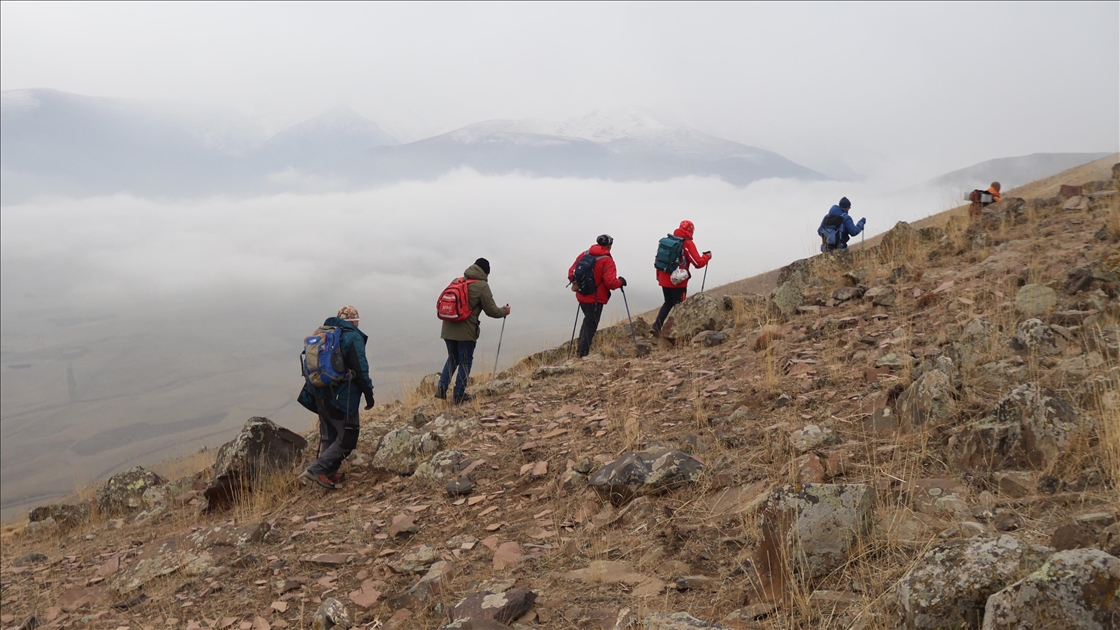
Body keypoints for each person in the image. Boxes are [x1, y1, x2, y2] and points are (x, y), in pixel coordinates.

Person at [297, 305, 375, 489]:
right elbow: (361, 369)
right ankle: (318, 469)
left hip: (319, 392)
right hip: (341, 396)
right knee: (348, 437)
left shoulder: (324, 333)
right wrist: (369, 394)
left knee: (329, 433)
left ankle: (327, 472)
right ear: (354, 320)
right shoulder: (353, 336)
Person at [437, 258, 510, 404]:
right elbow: (491, 310)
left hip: (448, 327)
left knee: (452, 358)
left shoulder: (457, 281)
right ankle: (458, 395)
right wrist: (504, 311)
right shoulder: (482, 286)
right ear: (486, 272)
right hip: (466, 332)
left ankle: (441, 389)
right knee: (465, 362)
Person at [568, 234, 625, 358]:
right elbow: (610, 282)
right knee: (591, 325)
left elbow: (571, 272)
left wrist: (579, 284)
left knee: (587, 321)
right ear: (609, 245)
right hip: (596, 298)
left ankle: (580, 351)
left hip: (582, 295)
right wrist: (620, 282)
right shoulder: (607, 260)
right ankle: (582, 354)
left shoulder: (584, 254)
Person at [652, 220, 711, 335]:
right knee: (680, 306)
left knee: (668, 302)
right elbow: (697, 263)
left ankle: (656, 326)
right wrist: (707, 257)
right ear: (691, 231)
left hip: (664, 277)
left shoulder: (668, 241)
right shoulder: (687, 243)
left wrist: (658, 276)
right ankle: (678, 333)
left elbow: (658, 259)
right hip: (678, 281)